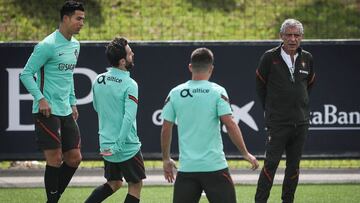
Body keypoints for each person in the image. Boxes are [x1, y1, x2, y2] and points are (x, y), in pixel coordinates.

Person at [161, 47, 259, 203]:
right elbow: (230, 124)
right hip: (215, 167)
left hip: (187, 169)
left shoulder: (175, 92)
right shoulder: (217, 91)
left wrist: (166, 158)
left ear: (190, 67)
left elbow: (166, 127)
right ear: (211, 69)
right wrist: (245, 153)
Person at [19, 1, 85, 202]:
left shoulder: (75, 45)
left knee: (74, 158)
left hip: (65, 110)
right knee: (55, 159)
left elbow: (69, 76)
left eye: (83, 19)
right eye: (78, 18)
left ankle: (52, 199)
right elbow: (26, 74)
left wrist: (73, 102)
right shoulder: (47, 45)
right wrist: (40, 99)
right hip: (46, 111)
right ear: (65, 18)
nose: (82, 23)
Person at [255, 19, 315, 203]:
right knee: (271, 164)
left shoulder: (307, 58)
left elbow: (309, 85)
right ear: (281, 36)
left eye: (296, 35)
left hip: (301, 122)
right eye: (288, 35)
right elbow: (260, 86)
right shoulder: (269, 57)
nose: (292, 39)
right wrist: (272, 110)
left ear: (301, 37)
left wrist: (299, 103)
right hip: (278, 122)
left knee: (293, 166)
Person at [85, 37, 145, 203]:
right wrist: (118, 145)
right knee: (136, 184)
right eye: (129, 53)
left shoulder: (99, 79)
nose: (132, 53)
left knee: (114, 183)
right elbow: (128, 117)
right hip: (126, 146)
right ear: (122, 61)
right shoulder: (130, 84)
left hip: (106, 144)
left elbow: (97, 107)